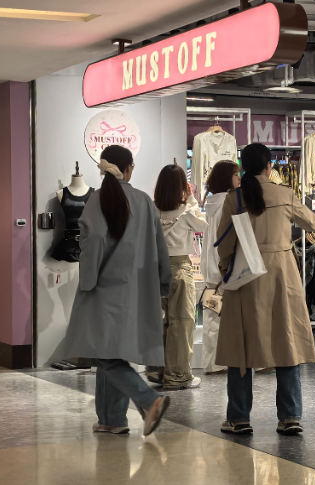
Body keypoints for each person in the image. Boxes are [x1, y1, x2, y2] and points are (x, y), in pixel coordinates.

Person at [215, 143, 315, 436]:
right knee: (286, 342)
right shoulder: (284, 194)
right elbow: (313, 223)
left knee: (240, 346)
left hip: (246, 276)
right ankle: (290, 416)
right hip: (283, 275)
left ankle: (239, 418)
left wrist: (225, 270)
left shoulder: (235, 198)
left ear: (243, 167)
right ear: (269, 166)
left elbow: (225, 244)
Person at [63, 145, 172, 436]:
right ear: (129, 168)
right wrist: (164, 283)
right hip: (136, 291)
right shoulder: (144, 201)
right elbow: (160, 246)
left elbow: (93, 243)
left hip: (102, 289)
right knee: (113, 352)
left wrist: (87, 282)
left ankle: (149, 400)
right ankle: (112, 419)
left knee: (104, 353)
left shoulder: (97, 199)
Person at [147, 164, 207, 390]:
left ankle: (158, 370)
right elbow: (203, 225)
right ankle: (178, 375)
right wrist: (191, 199)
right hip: (180, 267)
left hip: (155, 268)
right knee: (182, 322)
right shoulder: (187, 211)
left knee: (161, 320)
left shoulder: (152, 210)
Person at [200, 160, 240, 375]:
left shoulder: (211, 202)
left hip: (210, 269)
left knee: (212, 317)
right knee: (237, 316)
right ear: (227, 178)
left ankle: (212, 364)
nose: (239, 179)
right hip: (225, 268)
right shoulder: (229, 202)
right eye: (235, 175)